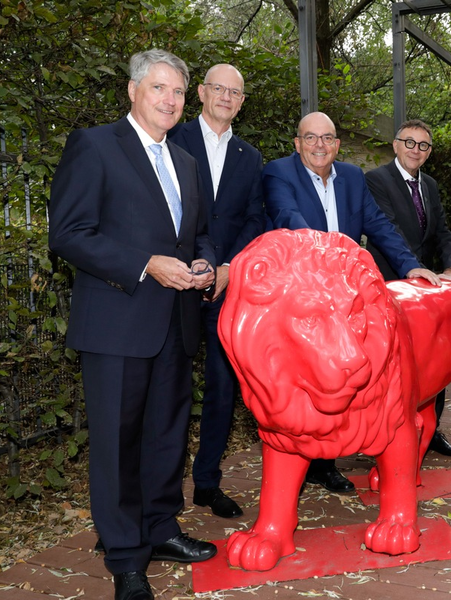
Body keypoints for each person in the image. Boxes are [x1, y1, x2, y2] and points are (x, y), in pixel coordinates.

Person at [49, 50, 218, 600]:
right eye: (158, 89)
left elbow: (197, 235)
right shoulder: (95, 146)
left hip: (176, 322)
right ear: (132, 90)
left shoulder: (186, 162)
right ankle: (124, 556)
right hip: (116, 324)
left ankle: (161, 529)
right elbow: (69, 233)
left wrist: (204, 263)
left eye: (176, 92)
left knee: (167, 435)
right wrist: (144, 264)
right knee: (118, 444)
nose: (168, 100)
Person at [264, 111, 443, 493]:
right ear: (297, 143)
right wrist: (330, 256)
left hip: (345, 297)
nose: (319, 146)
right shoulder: (279, 172)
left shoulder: (351, 177)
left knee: (339, 374)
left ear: (337, 144)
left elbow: (378, 224)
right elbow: (287, 216)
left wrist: (411, 267)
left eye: (327, 138)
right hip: (306, 297)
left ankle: (325, 463)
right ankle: (303, 458)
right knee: (309, 379)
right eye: (310, 138)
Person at [169, 64, 264, 520]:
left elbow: (253, 219)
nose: (226, 97)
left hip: (228, 287)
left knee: (223, 388)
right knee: (170, 389)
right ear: (202, 92)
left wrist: (229, 266)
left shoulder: (250, 155)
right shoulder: (173, 138)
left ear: (242, 102)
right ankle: (162, 496)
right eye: (219, 88)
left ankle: (207, 482)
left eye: (236, 92)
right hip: (175, 284)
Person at [365, 118, 451, 458]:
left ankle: (432, 430)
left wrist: (450, 268)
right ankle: (389, 436)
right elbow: (388, 231)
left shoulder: (431, 186)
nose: (415, 150)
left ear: (429, 152)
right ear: (395, 145)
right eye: (409, 142)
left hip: (426, 290)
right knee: (393, 364)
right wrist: (415, 269)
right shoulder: (376, 180)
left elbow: (443, 233)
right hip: (392, 285)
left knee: (432, 358)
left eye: (423, 145)